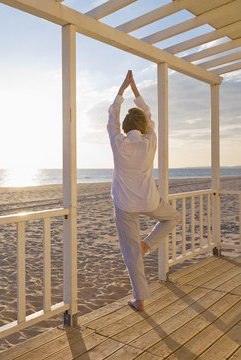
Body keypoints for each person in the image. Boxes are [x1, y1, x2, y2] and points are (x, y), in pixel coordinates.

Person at [107, 70, 181, 311]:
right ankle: (147, 244)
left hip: (125, 205)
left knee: (131, 253)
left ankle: (140, 300)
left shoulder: (118, 143)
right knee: (173, 218)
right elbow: (148, 116)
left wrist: (121, 90)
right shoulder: (150, 142)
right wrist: (135, 90)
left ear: (126, 128)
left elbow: (112, 118)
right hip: (149, 202)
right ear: (144, 127)